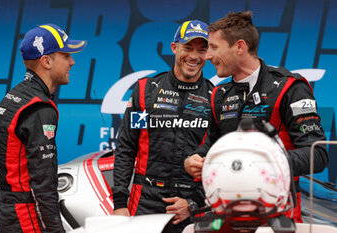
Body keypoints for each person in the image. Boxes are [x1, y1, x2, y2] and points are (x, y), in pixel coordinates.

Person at [184, 11, 328, 223]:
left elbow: (318, 154)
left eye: (214, 47)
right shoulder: (219, 94)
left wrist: (262, 163)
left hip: (277, 214)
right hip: (225, 214)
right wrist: (193, 159)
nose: (207, 56)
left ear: (239, 47)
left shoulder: (289, 87)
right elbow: (210, 145)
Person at [112, 20, 214, 232]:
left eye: (201, 50)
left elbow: (218, 162)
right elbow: (126, 148)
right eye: (188, 47)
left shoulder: (215, 98)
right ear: (174, 47)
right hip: (146, 200)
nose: (194, 56)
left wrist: (194, 203)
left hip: (189, 205)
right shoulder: (146, 91)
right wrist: (120, 204)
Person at [0, 24, 86, 233]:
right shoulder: (40, 108)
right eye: (66, 55)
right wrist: (54, 230)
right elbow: (44, 184)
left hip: (5, 211)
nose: (72, 61)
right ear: (46, 61)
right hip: (26, 218)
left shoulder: (14, 96)